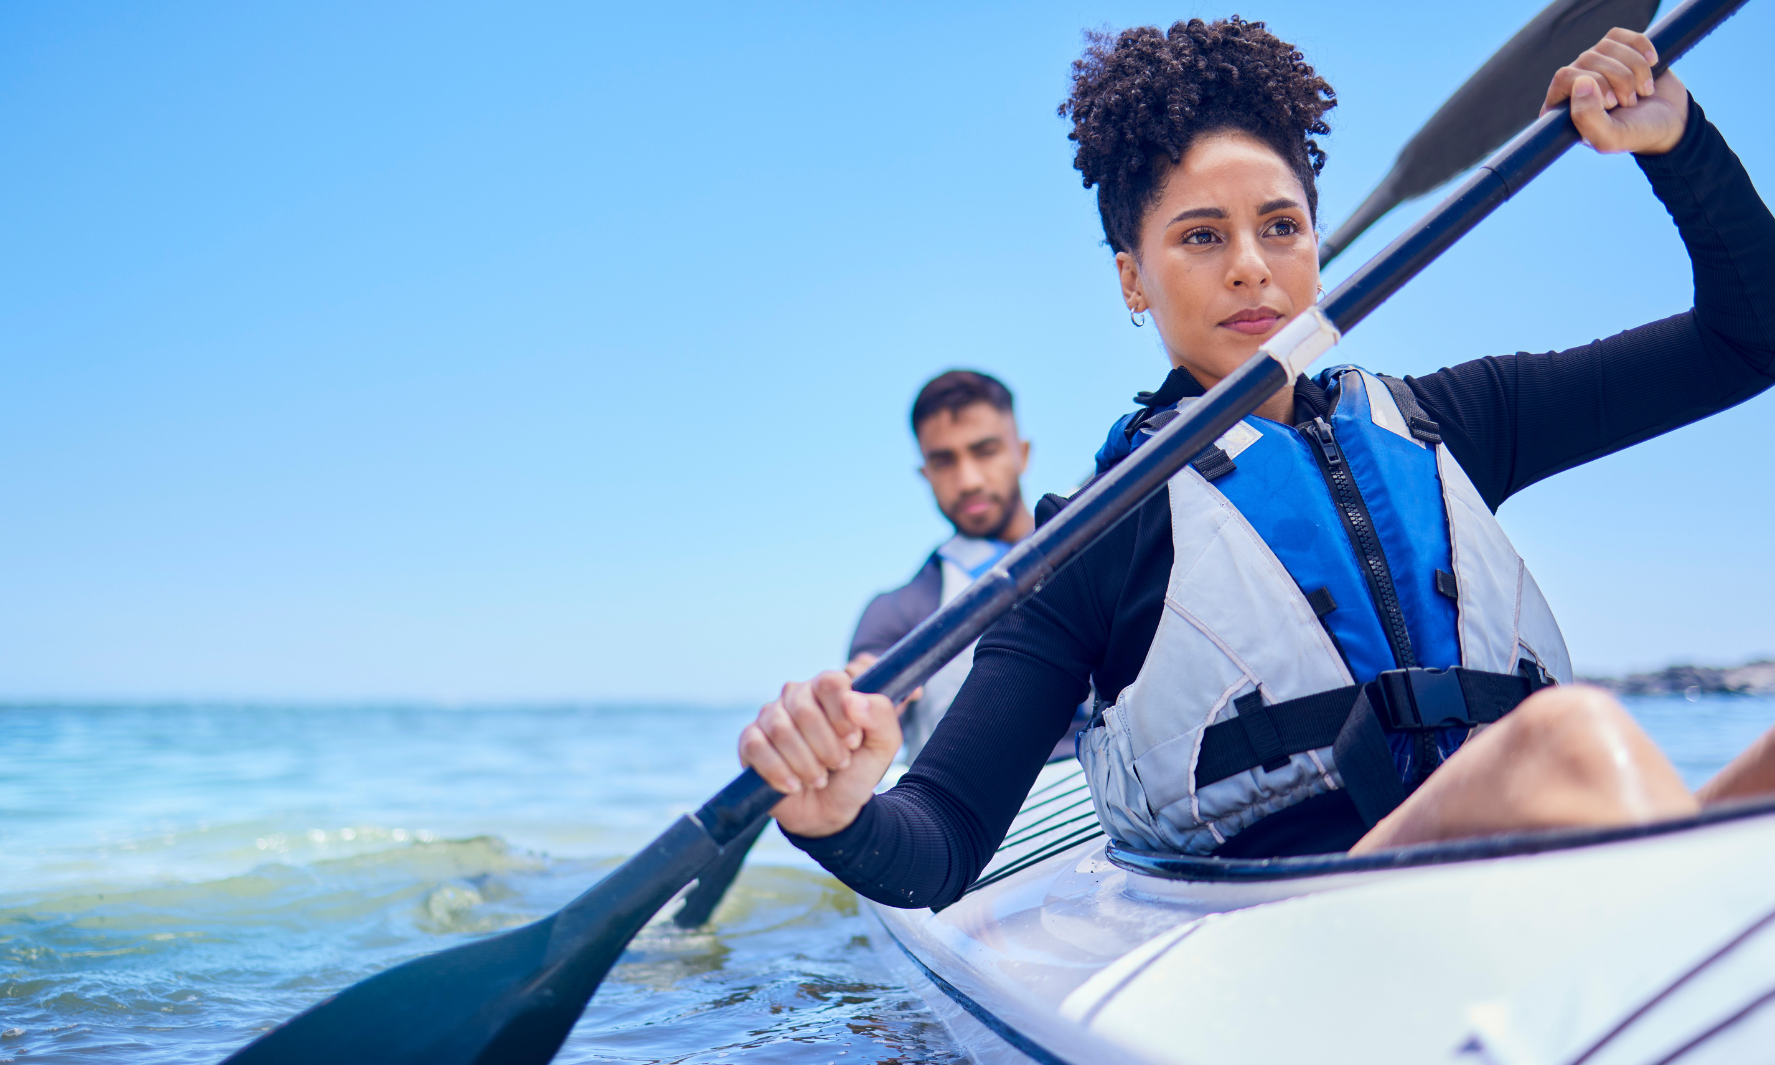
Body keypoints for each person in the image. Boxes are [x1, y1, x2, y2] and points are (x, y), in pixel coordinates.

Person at [738, 17, 1775, 910]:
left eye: (1280, 226)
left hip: (1518, 864)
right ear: (1131, 281)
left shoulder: (1457, 419)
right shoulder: (1093, 531)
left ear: (1318, 247)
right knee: (1571, 740)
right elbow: (947, 839)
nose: (1249, 264)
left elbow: (1750, 338)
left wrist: (1677, 145)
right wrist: (838, 818)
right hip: (1299, 913)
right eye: (1200, 236)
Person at [845, 370, 1040, 763]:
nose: (967, 480)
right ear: (925, 475)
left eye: (985, 451)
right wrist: (856, 705)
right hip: (987, 816)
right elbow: (861, 722)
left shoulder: (1103, 551)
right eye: (944, 461)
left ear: (1022, 454)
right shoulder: (896, 612)